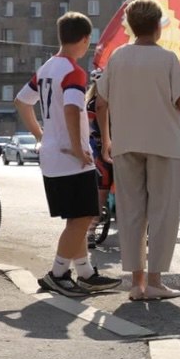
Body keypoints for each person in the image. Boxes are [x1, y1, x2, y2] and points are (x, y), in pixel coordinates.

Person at [97, 0, 180, 300]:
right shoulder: (168, 59)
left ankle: (136, 282)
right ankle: (155, 281)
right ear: (158, 27)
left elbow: (101, 101)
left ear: (131, 27)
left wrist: (106, 139)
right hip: (164, 143)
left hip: (126, 142)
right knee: (163, 212)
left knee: (131, 212)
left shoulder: (117, 58)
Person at [15, 12, 121, 295]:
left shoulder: (47, 67)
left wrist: (41, 135)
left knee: (77, 217)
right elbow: (73, 109)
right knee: (84, 217)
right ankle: (59, 273)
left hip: (52, 154)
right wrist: (77, 147)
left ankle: (85, 273)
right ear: (85, 40)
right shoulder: (74, 72)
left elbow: (21, 101)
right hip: (71, 156)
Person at [84, 68, 114, 247]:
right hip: (100, 151)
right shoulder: (92, 103)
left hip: (118, 150)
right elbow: (88, 129)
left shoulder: (118, 101)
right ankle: (91, 232)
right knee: (100, 194)